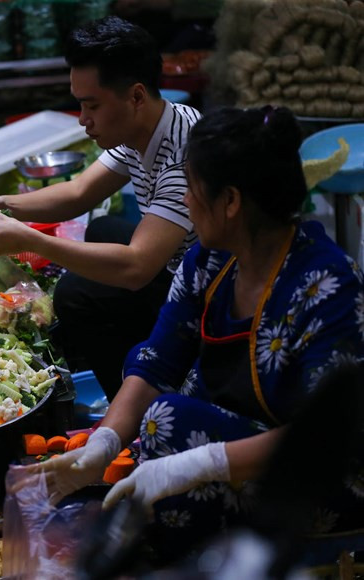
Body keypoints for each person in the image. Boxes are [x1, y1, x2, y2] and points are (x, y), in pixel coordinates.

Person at [24, 106, 364, 557]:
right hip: (235, 442)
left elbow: (326, 436)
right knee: (159, 426)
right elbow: (157, 361)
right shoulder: (208, 262)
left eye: (192, 188)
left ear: (230, 202)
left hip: (313, 480)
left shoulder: (327, 285)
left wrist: (199, 464)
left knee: (168, 424)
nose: (185, 201)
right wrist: (103, 443)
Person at [0, 16, 200, 399]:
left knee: (76, 293)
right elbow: (78, 193)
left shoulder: (183, 161)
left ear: (136, 96)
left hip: (206, 291)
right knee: (103, 228)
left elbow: (137, 268)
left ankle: (139, 402)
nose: (83, 119)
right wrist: (2, 203)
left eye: (92, 105)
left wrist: (29, 241)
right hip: (176, 260)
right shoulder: (150, 123)